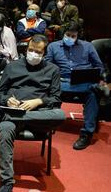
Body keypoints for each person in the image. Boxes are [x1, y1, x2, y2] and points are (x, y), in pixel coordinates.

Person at [0, 34, 65, 192]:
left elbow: (56, 99)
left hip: (40, 115)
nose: (33, 54)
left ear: (44, 53)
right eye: (31, 50)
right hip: (13, 109)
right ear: (26, 48)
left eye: (37, 52)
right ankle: (7, 182)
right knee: (6, 128)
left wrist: (38, 101)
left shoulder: (52, 70)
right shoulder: (13, 66)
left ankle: (4, 115)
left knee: (60, 115)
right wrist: (7, 100)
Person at [45, 22, 104, 150]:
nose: (70, 38)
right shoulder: (53, 46)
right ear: (63, 34)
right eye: (68, 35)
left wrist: (95, 77)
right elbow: (47, 66)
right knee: (47, 88)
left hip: (84, 83)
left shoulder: (88, 46)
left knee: (93, 93)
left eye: (73, 36)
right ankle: (47, 122)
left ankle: (86, 134)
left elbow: (99, 67)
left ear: (78, 35)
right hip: (62, 82)